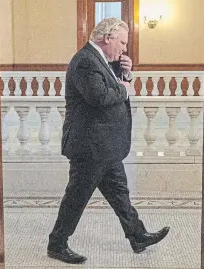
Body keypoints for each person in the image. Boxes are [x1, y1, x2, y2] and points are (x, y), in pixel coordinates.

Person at [47, 18, 170, 264]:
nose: (124, 48)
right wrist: (125, 88)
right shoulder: (85, 61)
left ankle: (137, 235)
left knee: (119, 193)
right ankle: (57, 244)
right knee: (76, 197)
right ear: (107, 38)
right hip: (90, 145)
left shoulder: (100, 60)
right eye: (122, 42)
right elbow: (99, 96)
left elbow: (109, 85)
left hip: (104, 145)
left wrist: (123, 73)